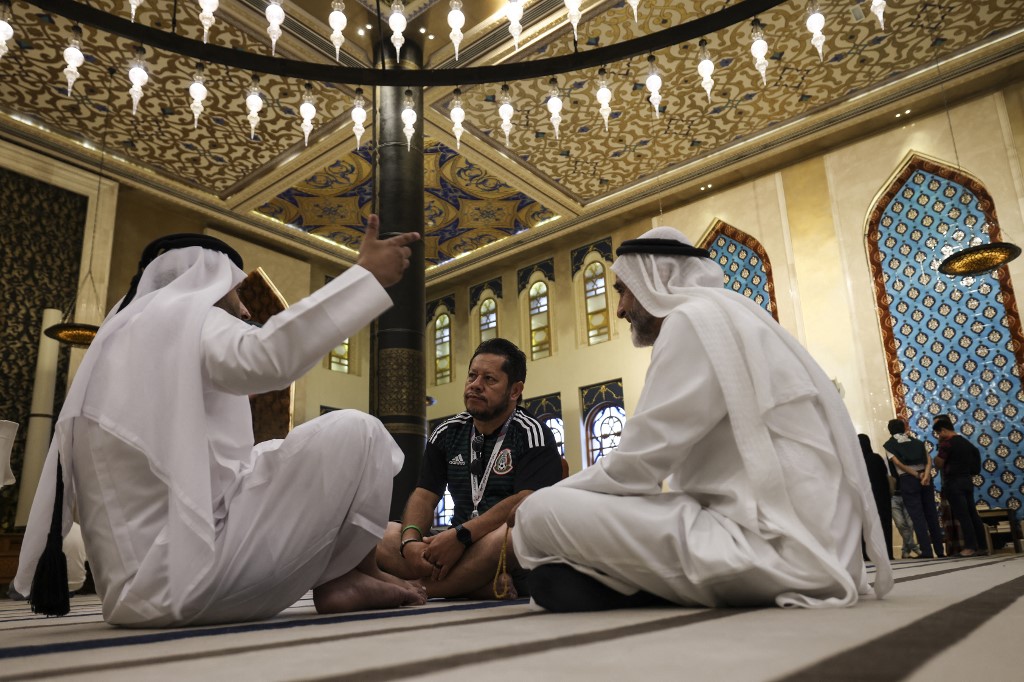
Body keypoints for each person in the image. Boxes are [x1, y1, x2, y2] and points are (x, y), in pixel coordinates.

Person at [13, 217, 425, 627]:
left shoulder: (115, 346)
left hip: (127, 593)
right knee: (358, 430)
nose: (244, 308)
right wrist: (364, 277)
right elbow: (270, 357)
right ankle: (353, 576)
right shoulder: (183, 319)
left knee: (269, 453)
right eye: (235, 291)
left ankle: (353, 574)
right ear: (202, 282)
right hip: (190, 582)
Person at [510, 226, 893, 612]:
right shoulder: (735, 318)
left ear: (657, 280)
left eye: (623, 291)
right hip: (818, 548)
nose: (621, 309)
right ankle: (628, 583)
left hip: (777, 549)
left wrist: (549, 498)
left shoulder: (691, 321)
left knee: (537, 514)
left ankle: (629, 581)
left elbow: (635, 468)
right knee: (554, 548)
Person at [376, 338, 562, 598]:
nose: (475, 385)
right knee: (384, 535)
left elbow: (525, 501)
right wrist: (410, 542)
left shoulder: (532, 434)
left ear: (514, 390)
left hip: (494, 543)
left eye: (489, 379)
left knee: (514, 534)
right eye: (472, 376)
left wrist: (462, 536)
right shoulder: (447, 433)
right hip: (455, 542)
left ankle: (416, 589)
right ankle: (478, 586)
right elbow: (424, 495)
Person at [882, 418, 945, 559]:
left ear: (890, 430)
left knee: (918, 518)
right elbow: (928, 459)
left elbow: (899, 465)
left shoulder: (889, 445)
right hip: (926, 478)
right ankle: (940, 551)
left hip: (909, 480)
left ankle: (927, 552)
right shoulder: (917, 442)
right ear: (904, 428)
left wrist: (916, 475)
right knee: (931, 515)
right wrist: (926, 475)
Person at [933, 417, 987, 557]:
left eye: (939, 433)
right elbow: (976, 468)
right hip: (967, 481)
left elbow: (938, 463)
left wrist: (935, 456)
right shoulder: (968, 444)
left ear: (944, 430)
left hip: (953, 482)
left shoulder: (947, 444)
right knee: (972, 514)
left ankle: (969, 547)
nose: (939, 436)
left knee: (963, 515)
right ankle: (982, 546)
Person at [859, 434, 894, 560]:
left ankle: (868, 554)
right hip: (882, 498)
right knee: (884, 525)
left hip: (866, 499)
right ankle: (888, 553)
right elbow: (886, 477)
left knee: (866, 527)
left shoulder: (858, 461)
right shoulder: (877, 458)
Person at [887, 457, 922, 559]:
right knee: (900, 523)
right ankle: (914, 547)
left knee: (910, 524)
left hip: (906, 494)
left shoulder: (905, 460)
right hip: (893, 496)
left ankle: (905, 551)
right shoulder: (886, 462)